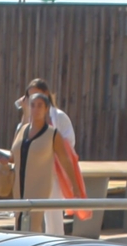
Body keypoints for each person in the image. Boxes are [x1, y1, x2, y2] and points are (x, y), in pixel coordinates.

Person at [10, 87, 86, 235]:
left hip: (41, 184)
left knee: (34, 221)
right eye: (33, 105)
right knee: (19, 221)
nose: (36, 109)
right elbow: (13, 155)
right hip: (20, 183)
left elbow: (65, 160)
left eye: (40, 106)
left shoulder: (52, 134)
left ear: (46, 109)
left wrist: (75, 187)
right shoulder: (22, 130)